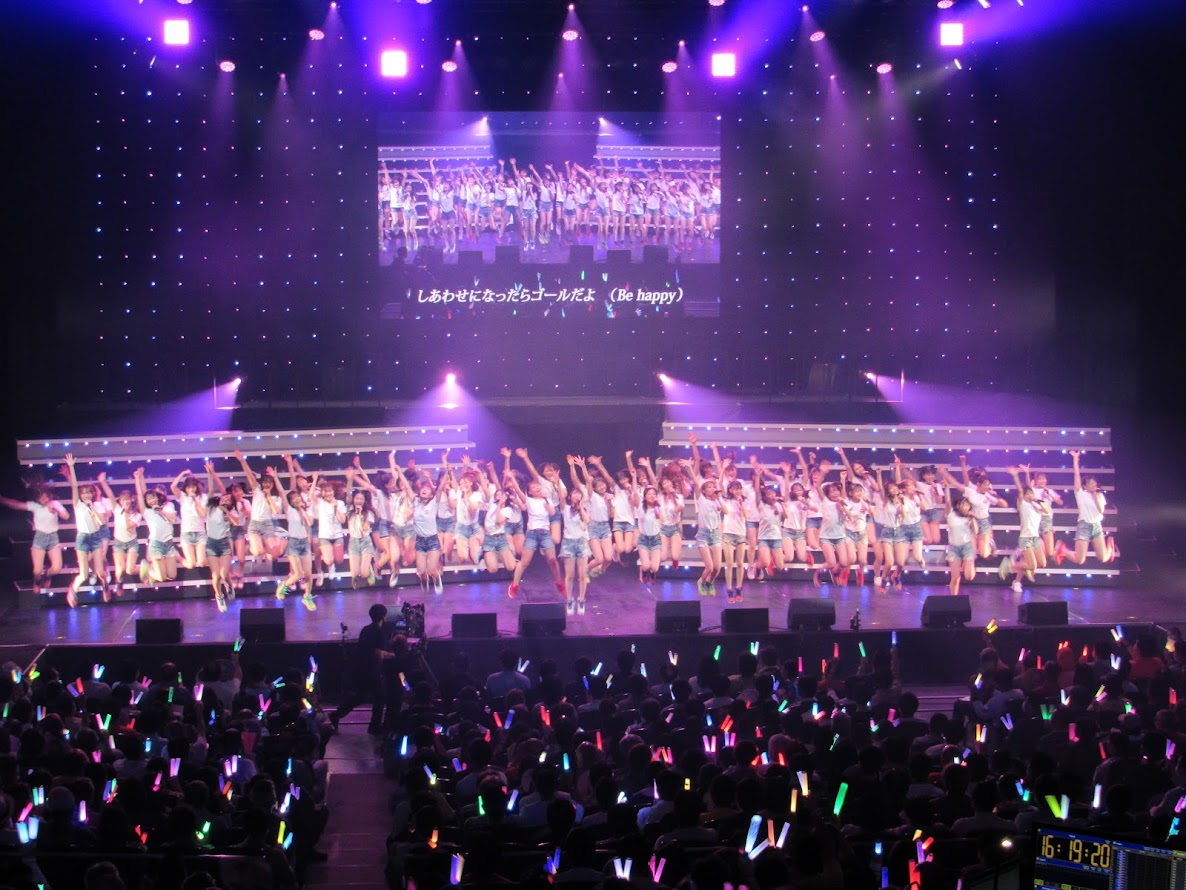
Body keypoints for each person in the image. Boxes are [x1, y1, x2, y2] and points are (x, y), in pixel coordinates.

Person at [329, 603, 395, 734]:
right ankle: (375, 726)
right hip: (372, 670)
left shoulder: (366, 629)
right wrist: (393, 655)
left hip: (361, 669)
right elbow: (378, 653)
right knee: (380, 698)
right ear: (383, 616)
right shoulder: (378, 632)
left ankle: (335, 715)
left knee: (360, 696)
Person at [0, 481, 69, 594]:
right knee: (37, 570)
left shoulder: (55, 504)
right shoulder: (35, 506)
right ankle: (36, 582)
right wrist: (3, 500)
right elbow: (17, 505)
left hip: (53, 537)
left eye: (46, 497)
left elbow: (66, 516)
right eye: (42, 498)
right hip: (40, 537)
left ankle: (47, 575)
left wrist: (57, 510)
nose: (45, 500)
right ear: (37, 499)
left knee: (57, 568)